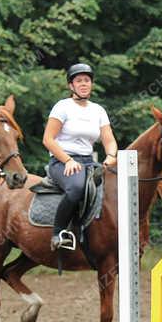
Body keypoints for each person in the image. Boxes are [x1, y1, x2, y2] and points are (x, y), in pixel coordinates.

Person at [43, 63, 119, 251]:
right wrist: (67, 160)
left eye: (87, 80)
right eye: (79, 81)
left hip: (87, 161)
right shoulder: (62, 107)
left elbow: (109, 139)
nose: (84, 84)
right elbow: (48, 139)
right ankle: (58, 234)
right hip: (62, 161)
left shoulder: (98, 110)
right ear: (71, 86)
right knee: (76, 188)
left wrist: (111, 155)